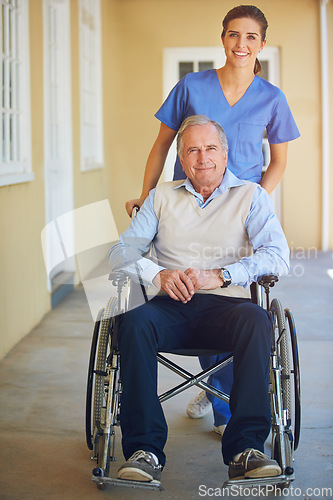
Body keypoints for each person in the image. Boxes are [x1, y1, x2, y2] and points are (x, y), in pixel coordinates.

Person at [125, 5, 300, 434]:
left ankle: (222, 397)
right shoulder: (192, 86)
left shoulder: (271, 98)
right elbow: (163, 144)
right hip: (187, 204)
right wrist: (148, 196)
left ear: (262, 44)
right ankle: (218, 389)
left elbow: (278, 160)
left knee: (226, 290)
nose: (242, 44)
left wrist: (253, 202)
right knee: (188, 278)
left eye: (251, 37)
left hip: (237, 210)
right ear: (223, 39)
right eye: (234, 35)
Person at [109, 115, 290, 483]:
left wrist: (222, 274)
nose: (202, 157)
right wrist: (156, 274)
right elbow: (119, 253)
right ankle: (144, 451)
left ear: (225, 154)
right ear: (182, 158)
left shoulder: (251, 196)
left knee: (257, 320)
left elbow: (278, 255)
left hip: (228, 307)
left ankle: (246, 449)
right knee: (132, 321)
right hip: (168, 307)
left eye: (210, 148)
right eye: (192, 149)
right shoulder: (161, 197)